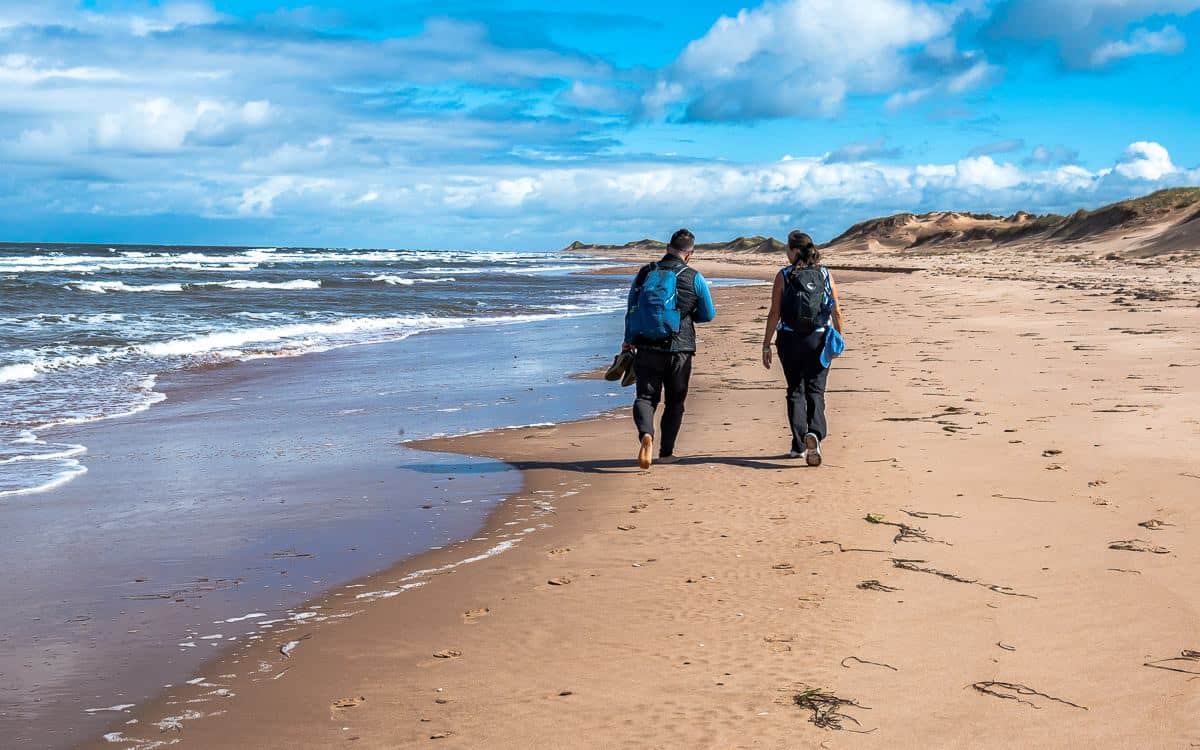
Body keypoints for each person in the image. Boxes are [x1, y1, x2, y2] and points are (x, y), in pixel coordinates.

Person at [623, 228, 716, 469]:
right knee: (675, 402)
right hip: (680, 349)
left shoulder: (645, 273)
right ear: (690, 254)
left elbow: (632, 308)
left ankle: (646, 434)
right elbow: (708, 314)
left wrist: (628, 341)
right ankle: (666, 453)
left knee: (645, 397)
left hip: (646, 345)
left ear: (667, 248)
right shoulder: (694, 276)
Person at [760, 230, 843, 466]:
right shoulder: (825, 274)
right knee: (816, 390)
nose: (786, 253)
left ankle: (798, 445)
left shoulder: (784, 275)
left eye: (787, 249)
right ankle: (815, 433)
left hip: (789, 340)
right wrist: (839, 337)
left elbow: (774, 312)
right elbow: (836, 311)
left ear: (795, 251)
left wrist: (766, 344)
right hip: (819, 339)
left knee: (795, 390)